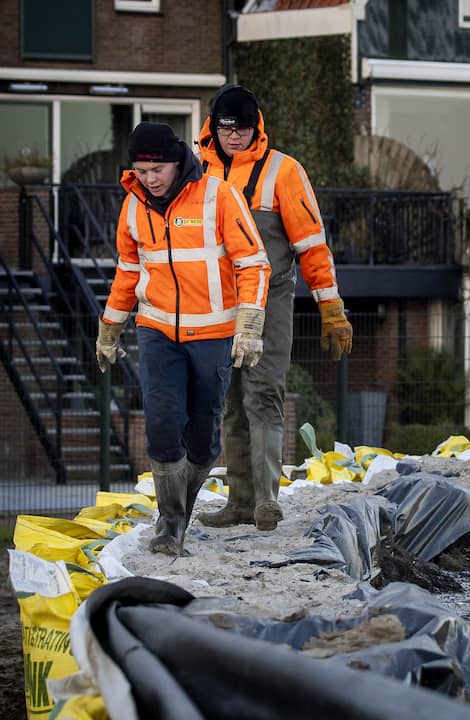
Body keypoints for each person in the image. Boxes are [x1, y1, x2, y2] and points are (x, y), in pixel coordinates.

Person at [96, 122, 269, 556]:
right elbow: (128, 272)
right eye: (140, 170)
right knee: (161, 420)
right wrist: (110, 326)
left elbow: (254, 263)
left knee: (203, 428)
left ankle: (183, 508)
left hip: (212, 332)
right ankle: (170, 521)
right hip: (157, 331)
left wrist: (248, 324)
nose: (149, 178)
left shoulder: (219, 196)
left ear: (177, 163)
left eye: (157, 169)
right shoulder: (133, 206)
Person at [193, 84, 352, 532]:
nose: (235, 138)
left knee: (263, 393)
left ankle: (266, 500)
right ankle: (239, 502)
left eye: (243, 129)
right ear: (214, 128)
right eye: (227, 130)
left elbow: (312, 246)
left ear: (256, 125)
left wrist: (331, 308)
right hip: (216, 301)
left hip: (270, 297)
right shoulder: (196, 169)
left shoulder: (284, 171)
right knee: (229, 402)